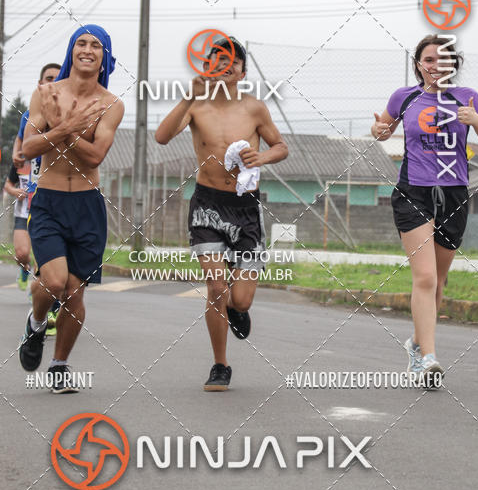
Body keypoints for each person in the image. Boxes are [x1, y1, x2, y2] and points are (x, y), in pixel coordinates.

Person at [155, 36, 288, 391]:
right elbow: (162, 137)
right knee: (216, 286)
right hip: (207, 206)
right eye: (217, 59)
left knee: (239, 298)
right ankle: (220, 365)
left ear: (242, 72)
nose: (225, 66)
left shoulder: (255, 108)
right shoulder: (196, 106)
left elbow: (281, 146)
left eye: (232, 61)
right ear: (207, 66)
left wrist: (262, 157)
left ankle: (236, 308)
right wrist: (189, 96)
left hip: (246, 208)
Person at [371, 34, 478, 384]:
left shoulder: (468, 97)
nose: (435, 66)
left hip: (454, 193)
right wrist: (378, 128)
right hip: (414, 192)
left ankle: (416, 343)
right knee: (426, 278)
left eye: (443, 60)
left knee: (439, 282)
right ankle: (428, 359)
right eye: (429, 60)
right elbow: (382, 130)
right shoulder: (404, 97)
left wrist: (476, 121)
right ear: (419, 65)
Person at [18, 26, 123, 393]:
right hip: (48, 201)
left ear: (105, 57)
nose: (87, 50)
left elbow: (95, 156)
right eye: (81, 43)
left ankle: (59, 364)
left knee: (74, 293)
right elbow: (28, 148)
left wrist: (65, 128)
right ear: (71, 50)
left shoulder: (111, 104)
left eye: (96, 45)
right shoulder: (46, 94)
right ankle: (35, 323)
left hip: (87, 205)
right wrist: (66, 127)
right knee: (54, 282)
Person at [11, 63, 60, 317]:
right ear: (40, 84)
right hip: (35, 195)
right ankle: (45, 304)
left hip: (64, 194)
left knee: (54, 262)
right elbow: (21, 140)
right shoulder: (30, 114)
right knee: (25, 253)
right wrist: (16, 153)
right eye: (48, 78)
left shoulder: (70, 111)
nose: (53, 83)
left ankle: (51, 306)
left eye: (58, 78)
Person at [4, 161, 32, 290]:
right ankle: (25, 268)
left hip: (46, 214)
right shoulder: (21, 161)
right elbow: (8, 185)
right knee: (21, 254)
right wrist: (15, 191)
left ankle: (38, 289)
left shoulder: (50, 158)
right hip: (23, 214)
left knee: (43, 257)